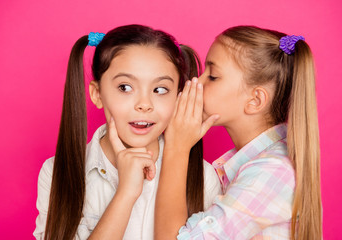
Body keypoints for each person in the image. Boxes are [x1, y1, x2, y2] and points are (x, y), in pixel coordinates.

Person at [33, 24, 221, 240]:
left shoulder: (203, 178)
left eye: (160, 90)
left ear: (178, 97)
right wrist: (126, 193)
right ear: (97, 94)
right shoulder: (56, 173)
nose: (144, 104)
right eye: (125, 87)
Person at [155, 25, 322, 239]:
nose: (197, 81)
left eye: (213, 76)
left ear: (255, 100)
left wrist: (176, 149)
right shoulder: (250, 165)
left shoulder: (270, 173)